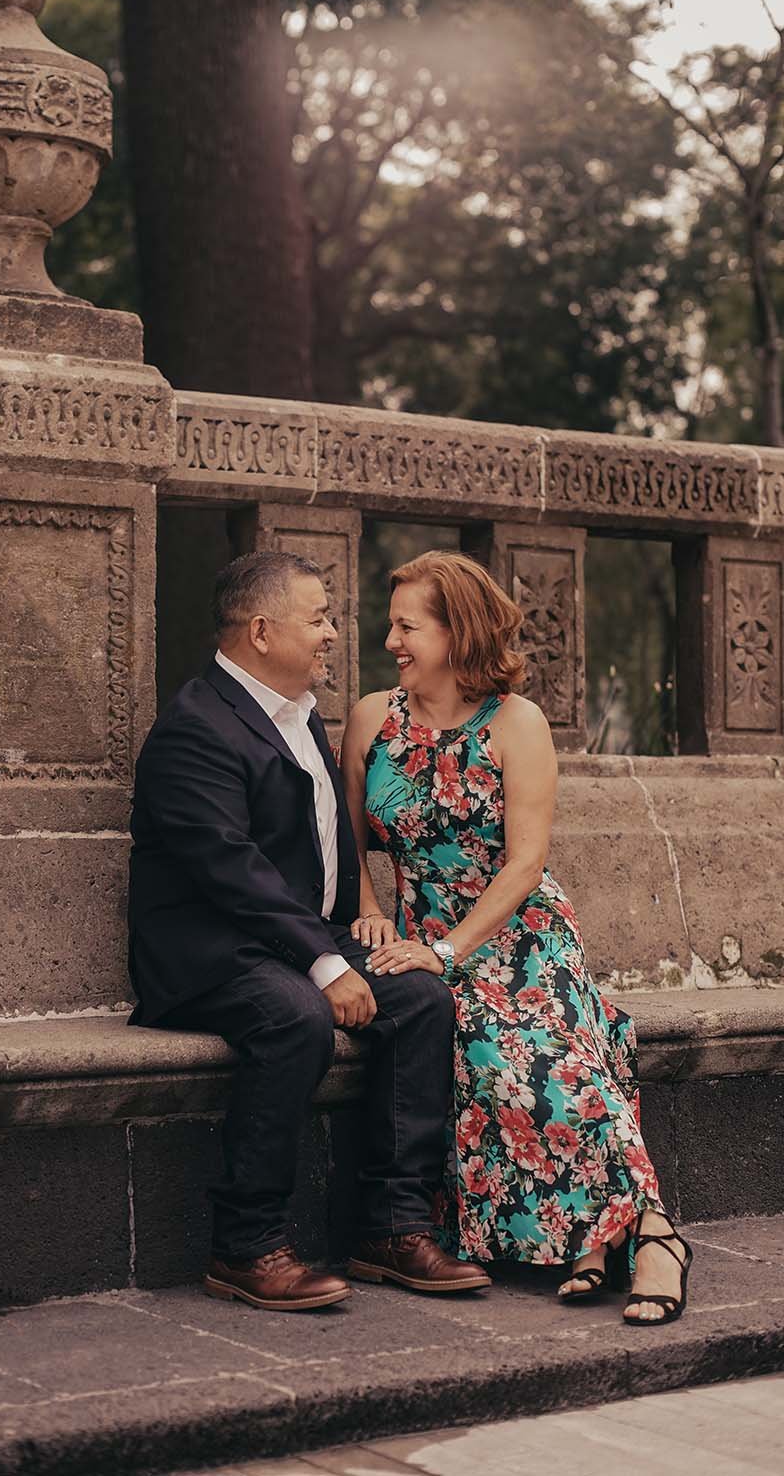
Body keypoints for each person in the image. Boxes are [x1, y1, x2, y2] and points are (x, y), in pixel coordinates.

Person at [128, 550, 491, 1312]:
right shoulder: (195, 727)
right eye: (318, 618)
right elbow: (233, 874)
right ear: (261, 632)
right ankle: (246, 1244)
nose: (333, 633)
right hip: (209, 951)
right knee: (296, 1019)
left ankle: (389, 1227)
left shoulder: (299, 715)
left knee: (422, 997)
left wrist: (359, 922)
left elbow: (332, 841)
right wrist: (326, 964)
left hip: (296, 940)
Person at [340, 550, 693, 1326]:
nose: (391, 641)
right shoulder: (371, 719)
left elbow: (526, 863)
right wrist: (368, 907)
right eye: (391, 625)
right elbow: (344, 841)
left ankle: (652, 1232)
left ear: (457, 632)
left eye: (408, 627)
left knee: (548, 1054)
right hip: (418, 934)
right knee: (492, 1056)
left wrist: (448, 951)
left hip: (520, 934)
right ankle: (599, 1237)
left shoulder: (516, 723)